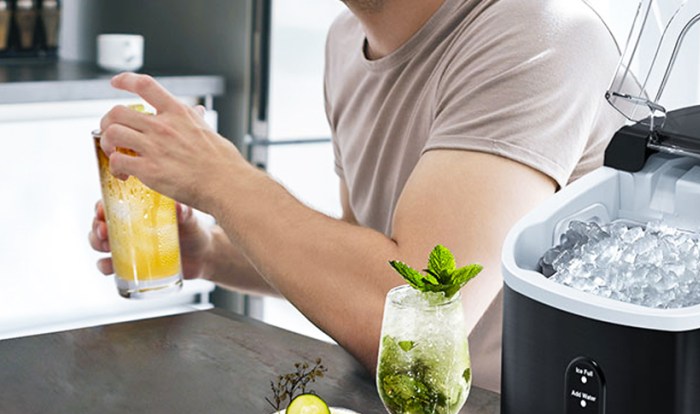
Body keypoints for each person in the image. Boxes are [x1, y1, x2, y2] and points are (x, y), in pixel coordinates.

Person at [89, 0, 624, 392]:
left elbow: (418, 333)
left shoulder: (541, 31)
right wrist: (212, 252)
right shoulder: (346, 41)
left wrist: (221, 178)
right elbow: (363, 266)